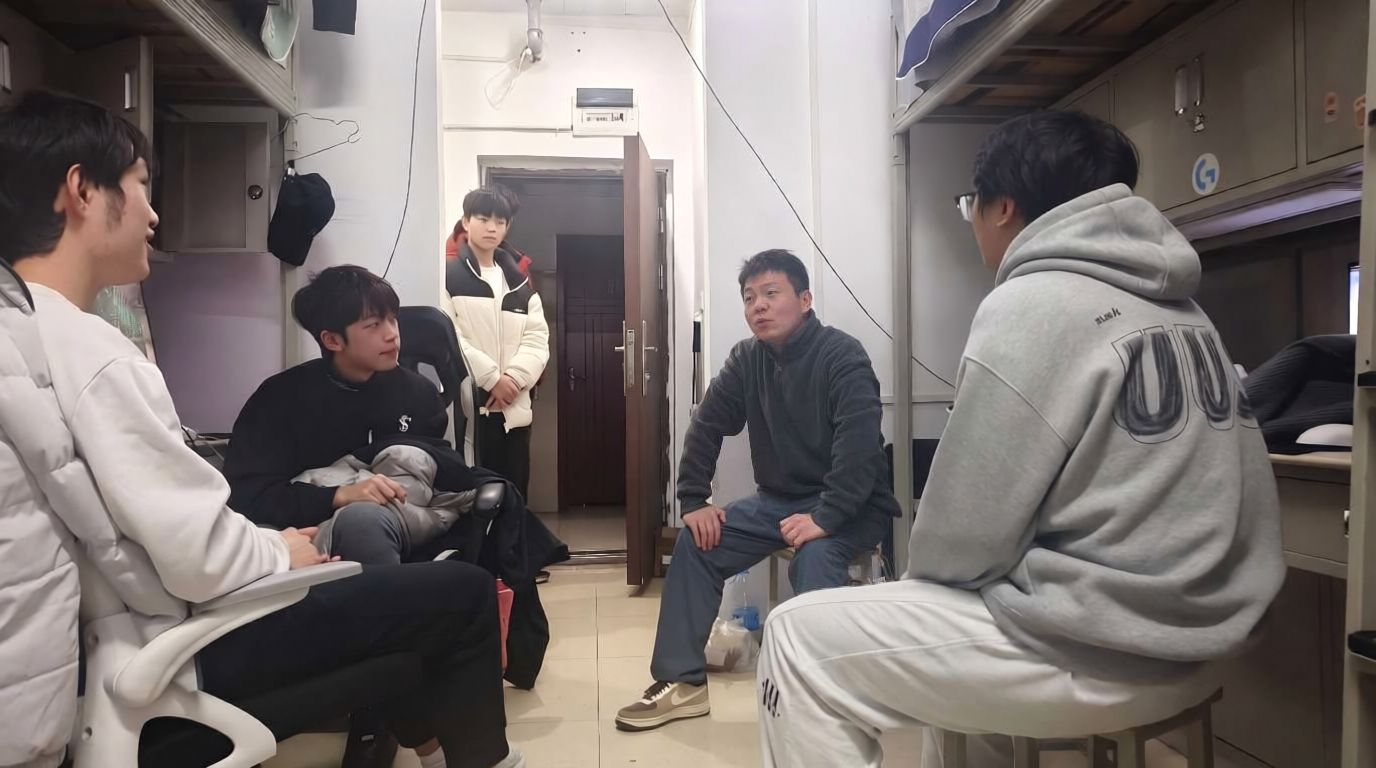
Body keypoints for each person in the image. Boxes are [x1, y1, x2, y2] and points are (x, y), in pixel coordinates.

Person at [0, 90, 522, 768]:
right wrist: (281, 551)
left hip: (122, 649)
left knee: (402, 620)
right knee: (461, 595)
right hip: (188, 644)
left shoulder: (24, 334)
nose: (153, 214)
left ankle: (420, 743)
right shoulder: (96, 357)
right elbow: (199, 554)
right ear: (81, 192)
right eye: (140, 185)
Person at [754, 111, 1285, 768]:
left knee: (797, 638)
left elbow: (959, 539)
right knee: (940, 642)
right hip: (1209, 642)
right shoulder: (1186, 310)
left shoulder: (1032, 301)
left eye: (969, 205)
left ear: (1002, 207)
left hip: (1106, 648)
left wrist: (924, 586)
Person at [615, 249, 898, 733]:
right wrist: (694, 500)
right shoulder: (747, 359)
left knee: (815, 559)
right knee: (697, 544)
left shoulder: (842, 356)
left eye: (771, 293)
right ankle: (682, 682)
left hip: (851, 505)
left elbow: (859, 451)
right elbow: (706, 424)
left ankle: (823, 699)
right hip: (779, 502)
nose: (758, 306)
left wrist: (825, 517)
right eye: (749, 298)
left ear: (805, 300)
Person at [224, 265, 449, 564]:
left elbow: (429, 477)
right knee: (362, 523)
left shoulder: (419, 395)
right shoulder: (279, 399)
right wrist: (338, 495)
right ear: (332, 340)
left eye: (393, 319)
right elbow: (248, 495)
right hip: (303, 538)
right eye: (374, 325)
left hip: (399, 528)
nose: (392, 334)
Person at [444, 187, 549, 500]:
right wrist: (492, 380)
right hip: (472, 406)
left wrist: (513, 380)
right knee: (474, 499)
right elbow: (451, 336)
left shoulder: (520, 284)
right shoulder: (448, 277)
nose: (491, 227)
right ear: (466, 221)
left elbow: (537, 340)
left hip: (515, 408)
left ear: (507, 227)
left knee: (515, 495)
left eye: (499, 222)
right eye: (482, 219)